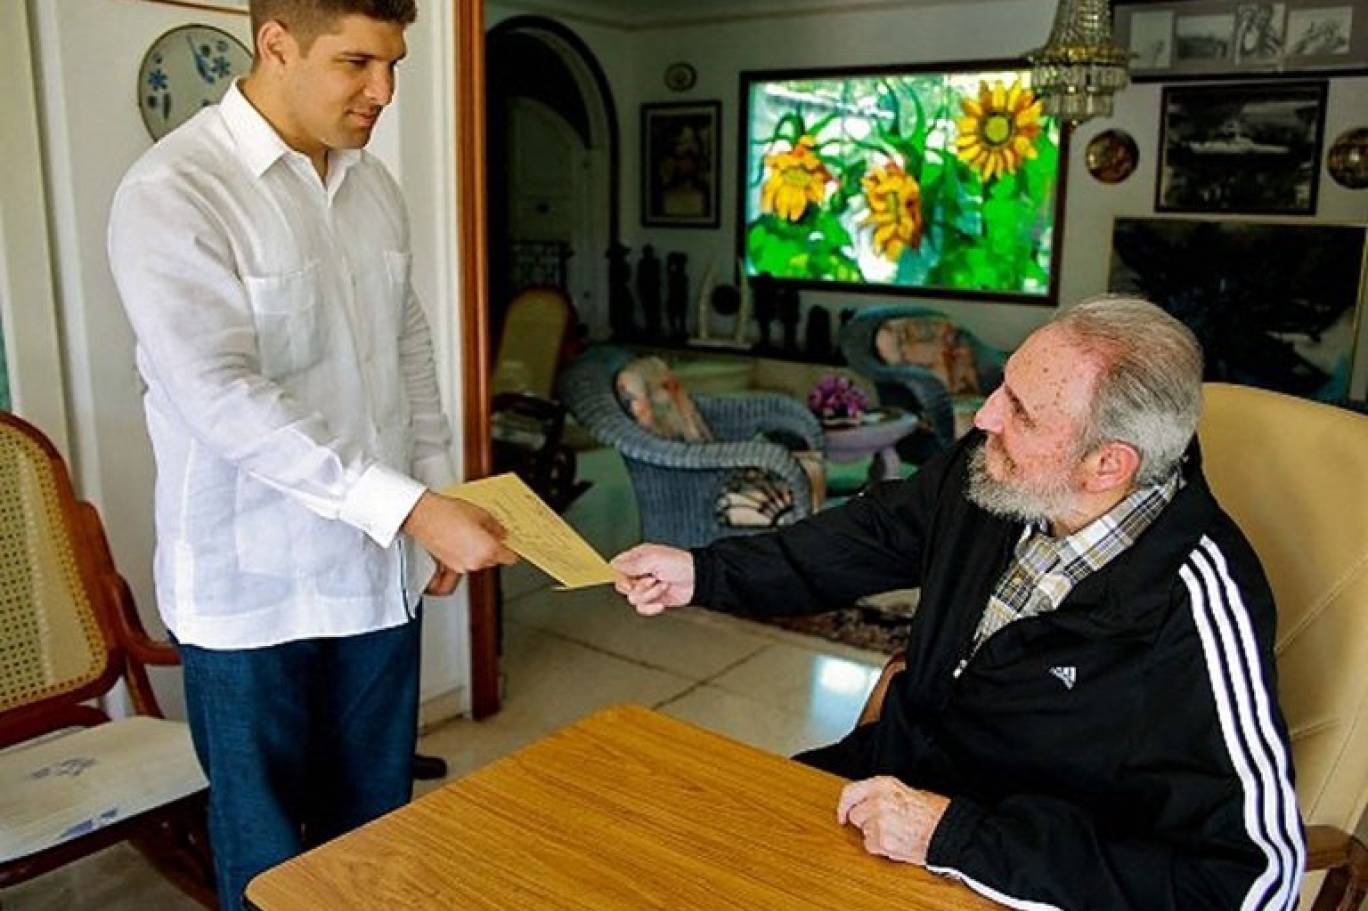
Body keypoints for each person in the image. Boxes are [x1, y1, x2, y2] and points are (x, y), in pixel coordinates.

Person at [614, 296, 1304, 911]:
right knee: (667, 857)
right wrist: (704, 571)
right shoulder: (998, 469)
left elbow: (1255, 883)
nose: (985, 416)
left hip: (1001, 874)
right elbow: (873, 532)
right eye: (1004, 383)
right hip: (882, 785)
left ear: (1107, 465)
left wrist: (955, 838)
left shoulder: (1197, 605)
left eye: (1022, 411)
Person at [107, 2, 516, 906]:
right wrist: (414, 509)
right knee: (267, 859)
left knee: (376, 836)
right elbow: (221, 396)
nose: (384, 91)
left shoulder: (373, 186)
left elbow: (406, 344)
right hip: (251, 594)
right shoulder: (174, 191)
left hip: (376, 574)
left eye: (395, 63)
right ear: (277, 44)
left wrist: (436, 493)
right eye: (357, 62)